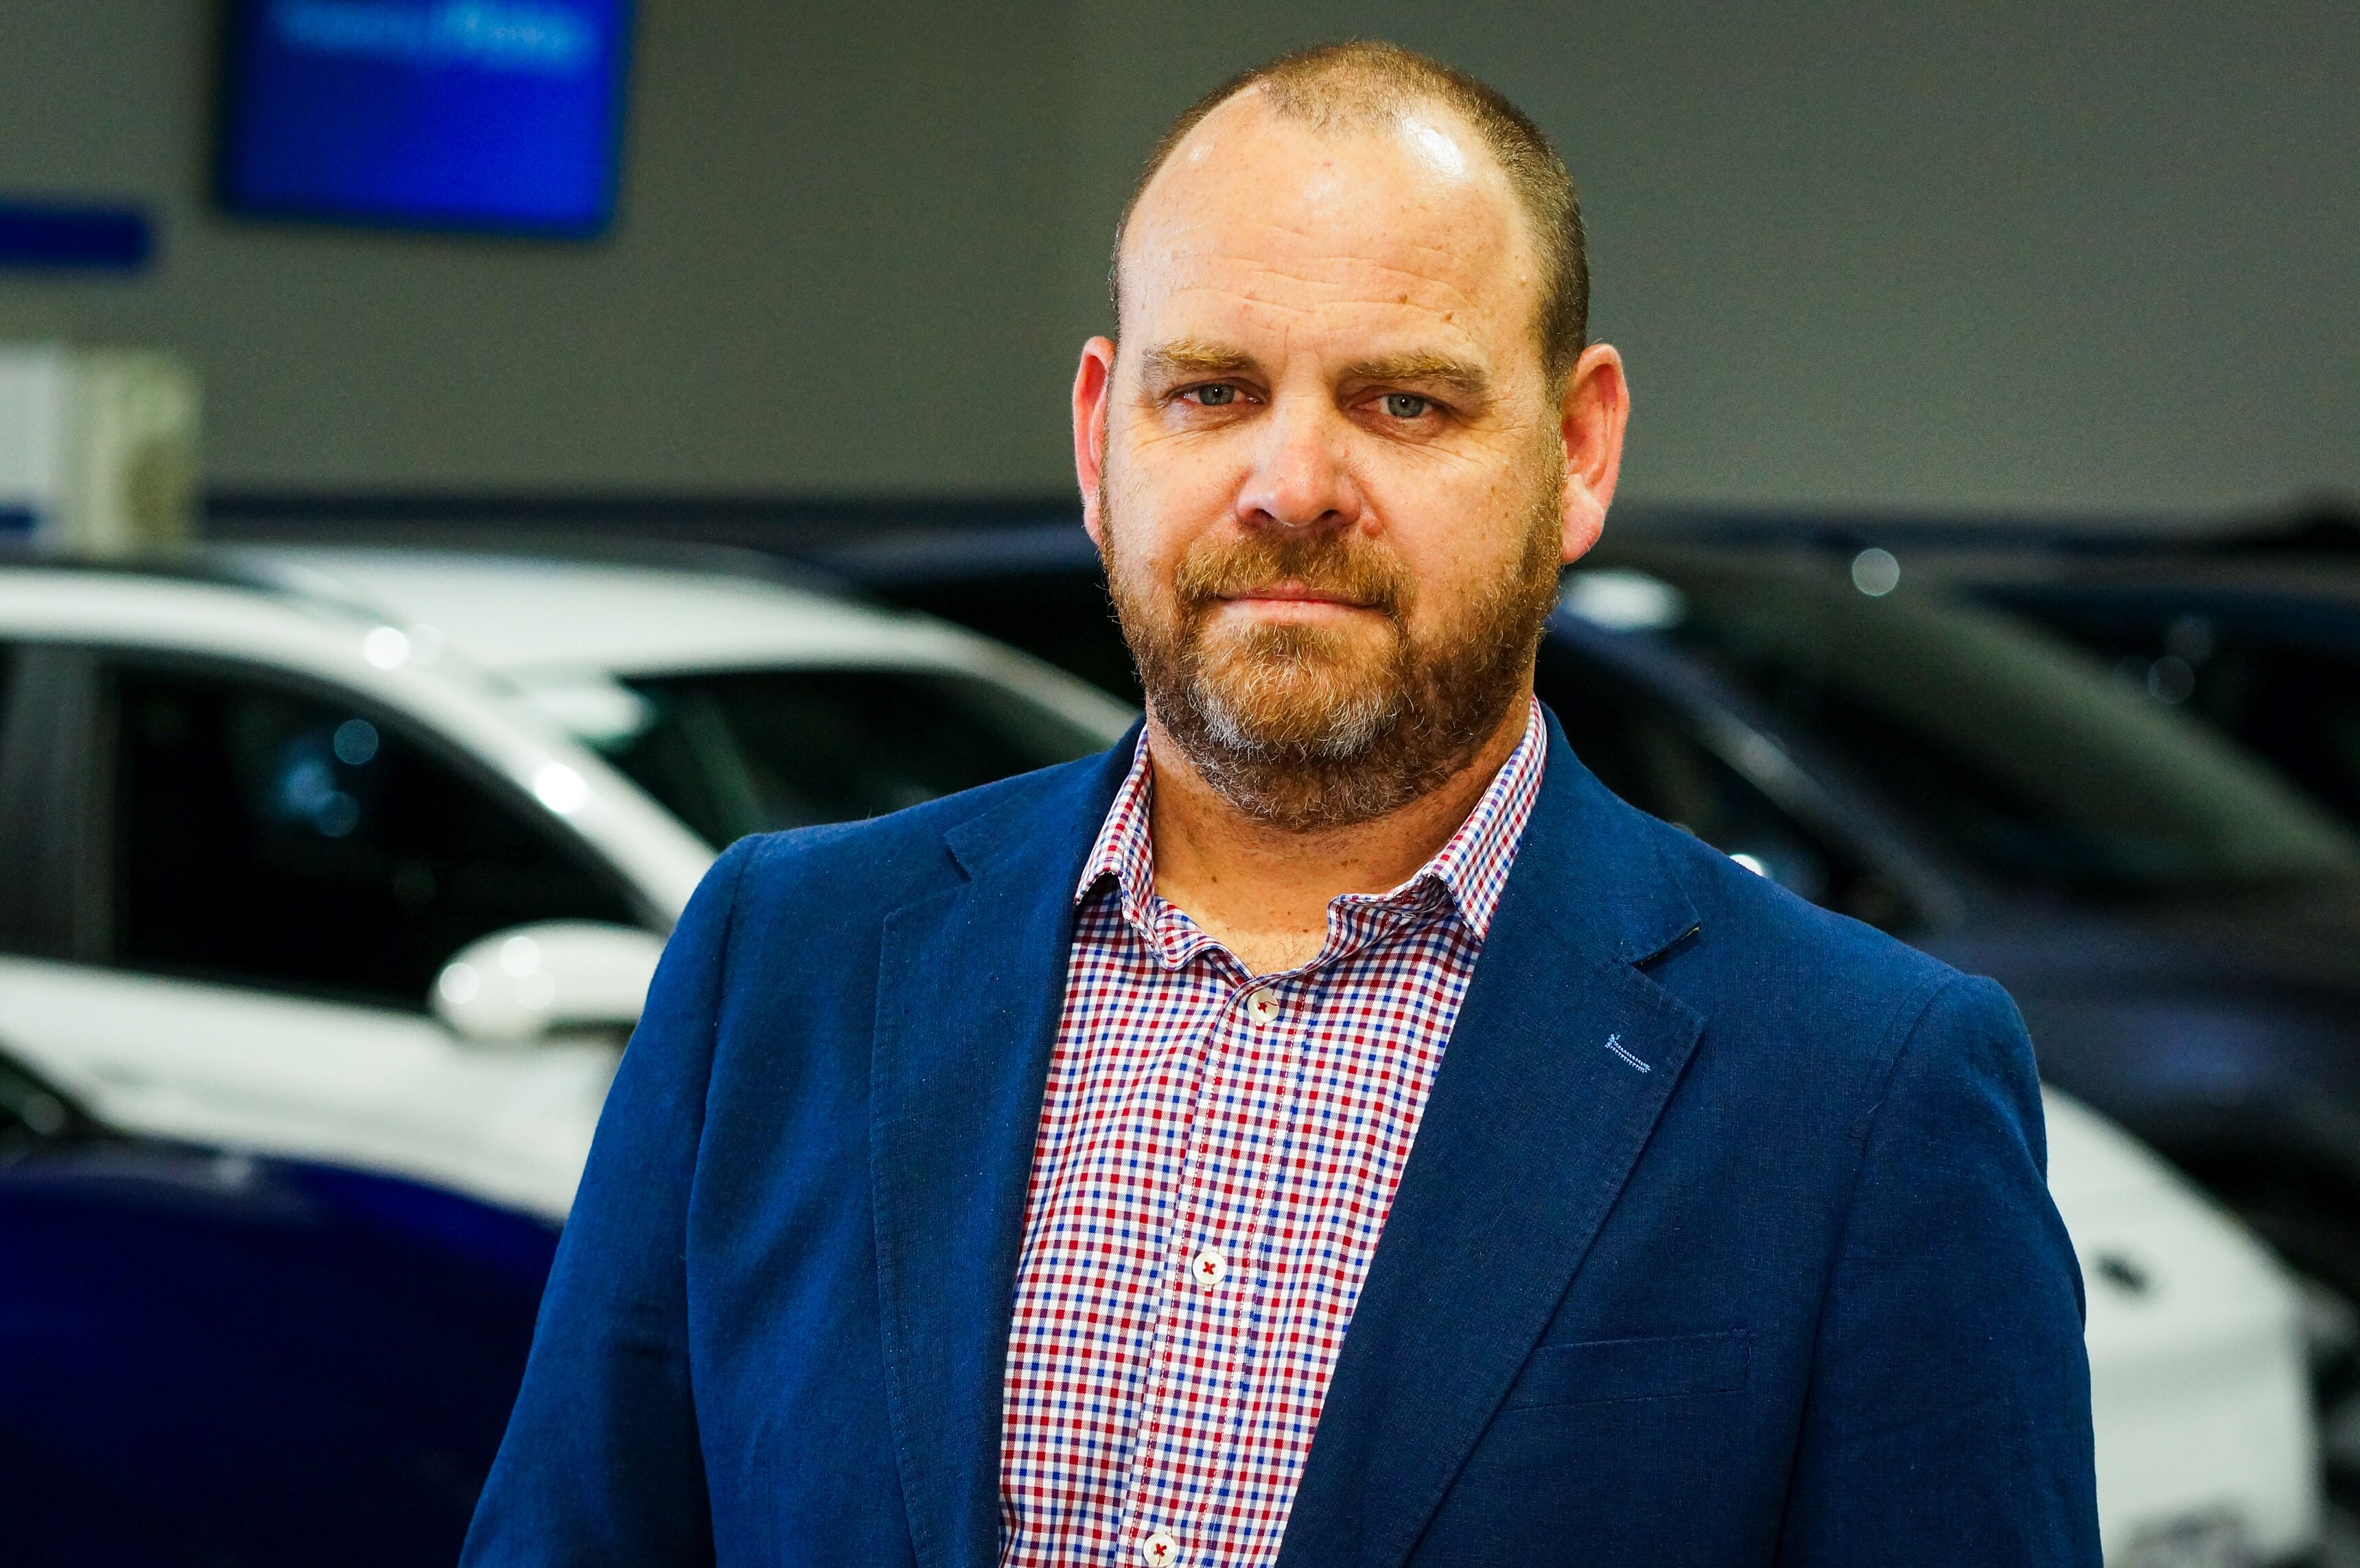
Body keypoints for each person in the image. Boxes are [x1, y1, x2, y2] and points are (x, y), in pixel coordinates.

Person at [464, 40, 2097, 1568]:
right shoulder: (787, 963)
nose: (1292, 484)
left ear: (1578, 450)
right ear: (1102, 438)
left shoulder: (1861, 1088)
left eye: (1405, 402)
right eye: (1213, 391)